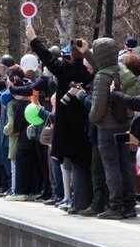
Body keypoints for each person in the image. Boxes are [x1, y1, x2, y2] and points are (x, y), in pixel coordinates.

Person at [27, 24, 93, 214]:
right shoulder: (90, 72)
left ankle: (78, 202)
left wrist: (33, 38)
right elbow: (100, 64)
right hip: (86, 122)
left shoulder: (65, 68)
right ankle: (82, 201)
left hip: (67, 123)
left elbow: (46, 57)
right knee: (82, 164)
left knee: (73, 164)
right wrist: (87, 53)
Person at [88, 37, 138, 220]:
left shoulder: (102, 76)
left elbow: (98, 108)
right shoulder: (121, 69)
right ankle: (129, 205)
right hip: (124, 125)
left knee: (111, 166)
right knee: (125, 164)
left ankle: (115, 206)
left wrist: (91, 118)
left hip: (107, 128)